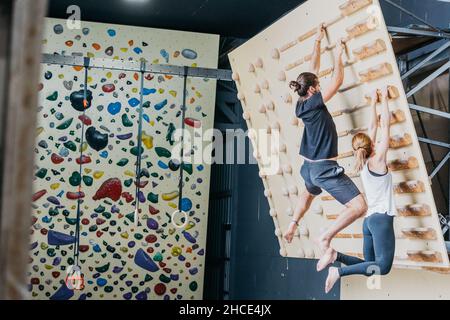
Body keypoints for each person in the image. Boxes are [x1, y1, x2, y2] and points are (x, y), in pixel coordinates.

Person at [283, 24, 367, 258]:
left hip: (309, 168)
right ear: (312, 90)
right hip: (322, 168)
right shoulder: (314, 102)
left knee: (307, 194)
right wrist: (339, 55)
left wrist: (318, 41)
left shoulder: (301, 102)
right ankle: (327, 236)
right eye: (317, 86)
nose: (320, 87)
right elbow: (337, 80)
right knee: (359, 207)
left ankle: (293, 223)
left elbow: (312, 68)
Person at [316, 87, 397, 294]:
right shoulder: (378, 159)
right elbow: (384, 124)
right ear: (370, 145)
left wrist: (373, 102)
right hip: (379, 219)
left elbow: (374, 126)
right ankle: (338, 273)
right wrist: (385, 99)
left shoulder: (363, 163)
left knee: (371, 268)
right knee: (383, 267)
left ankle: (336, 257)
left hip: (369, 222)